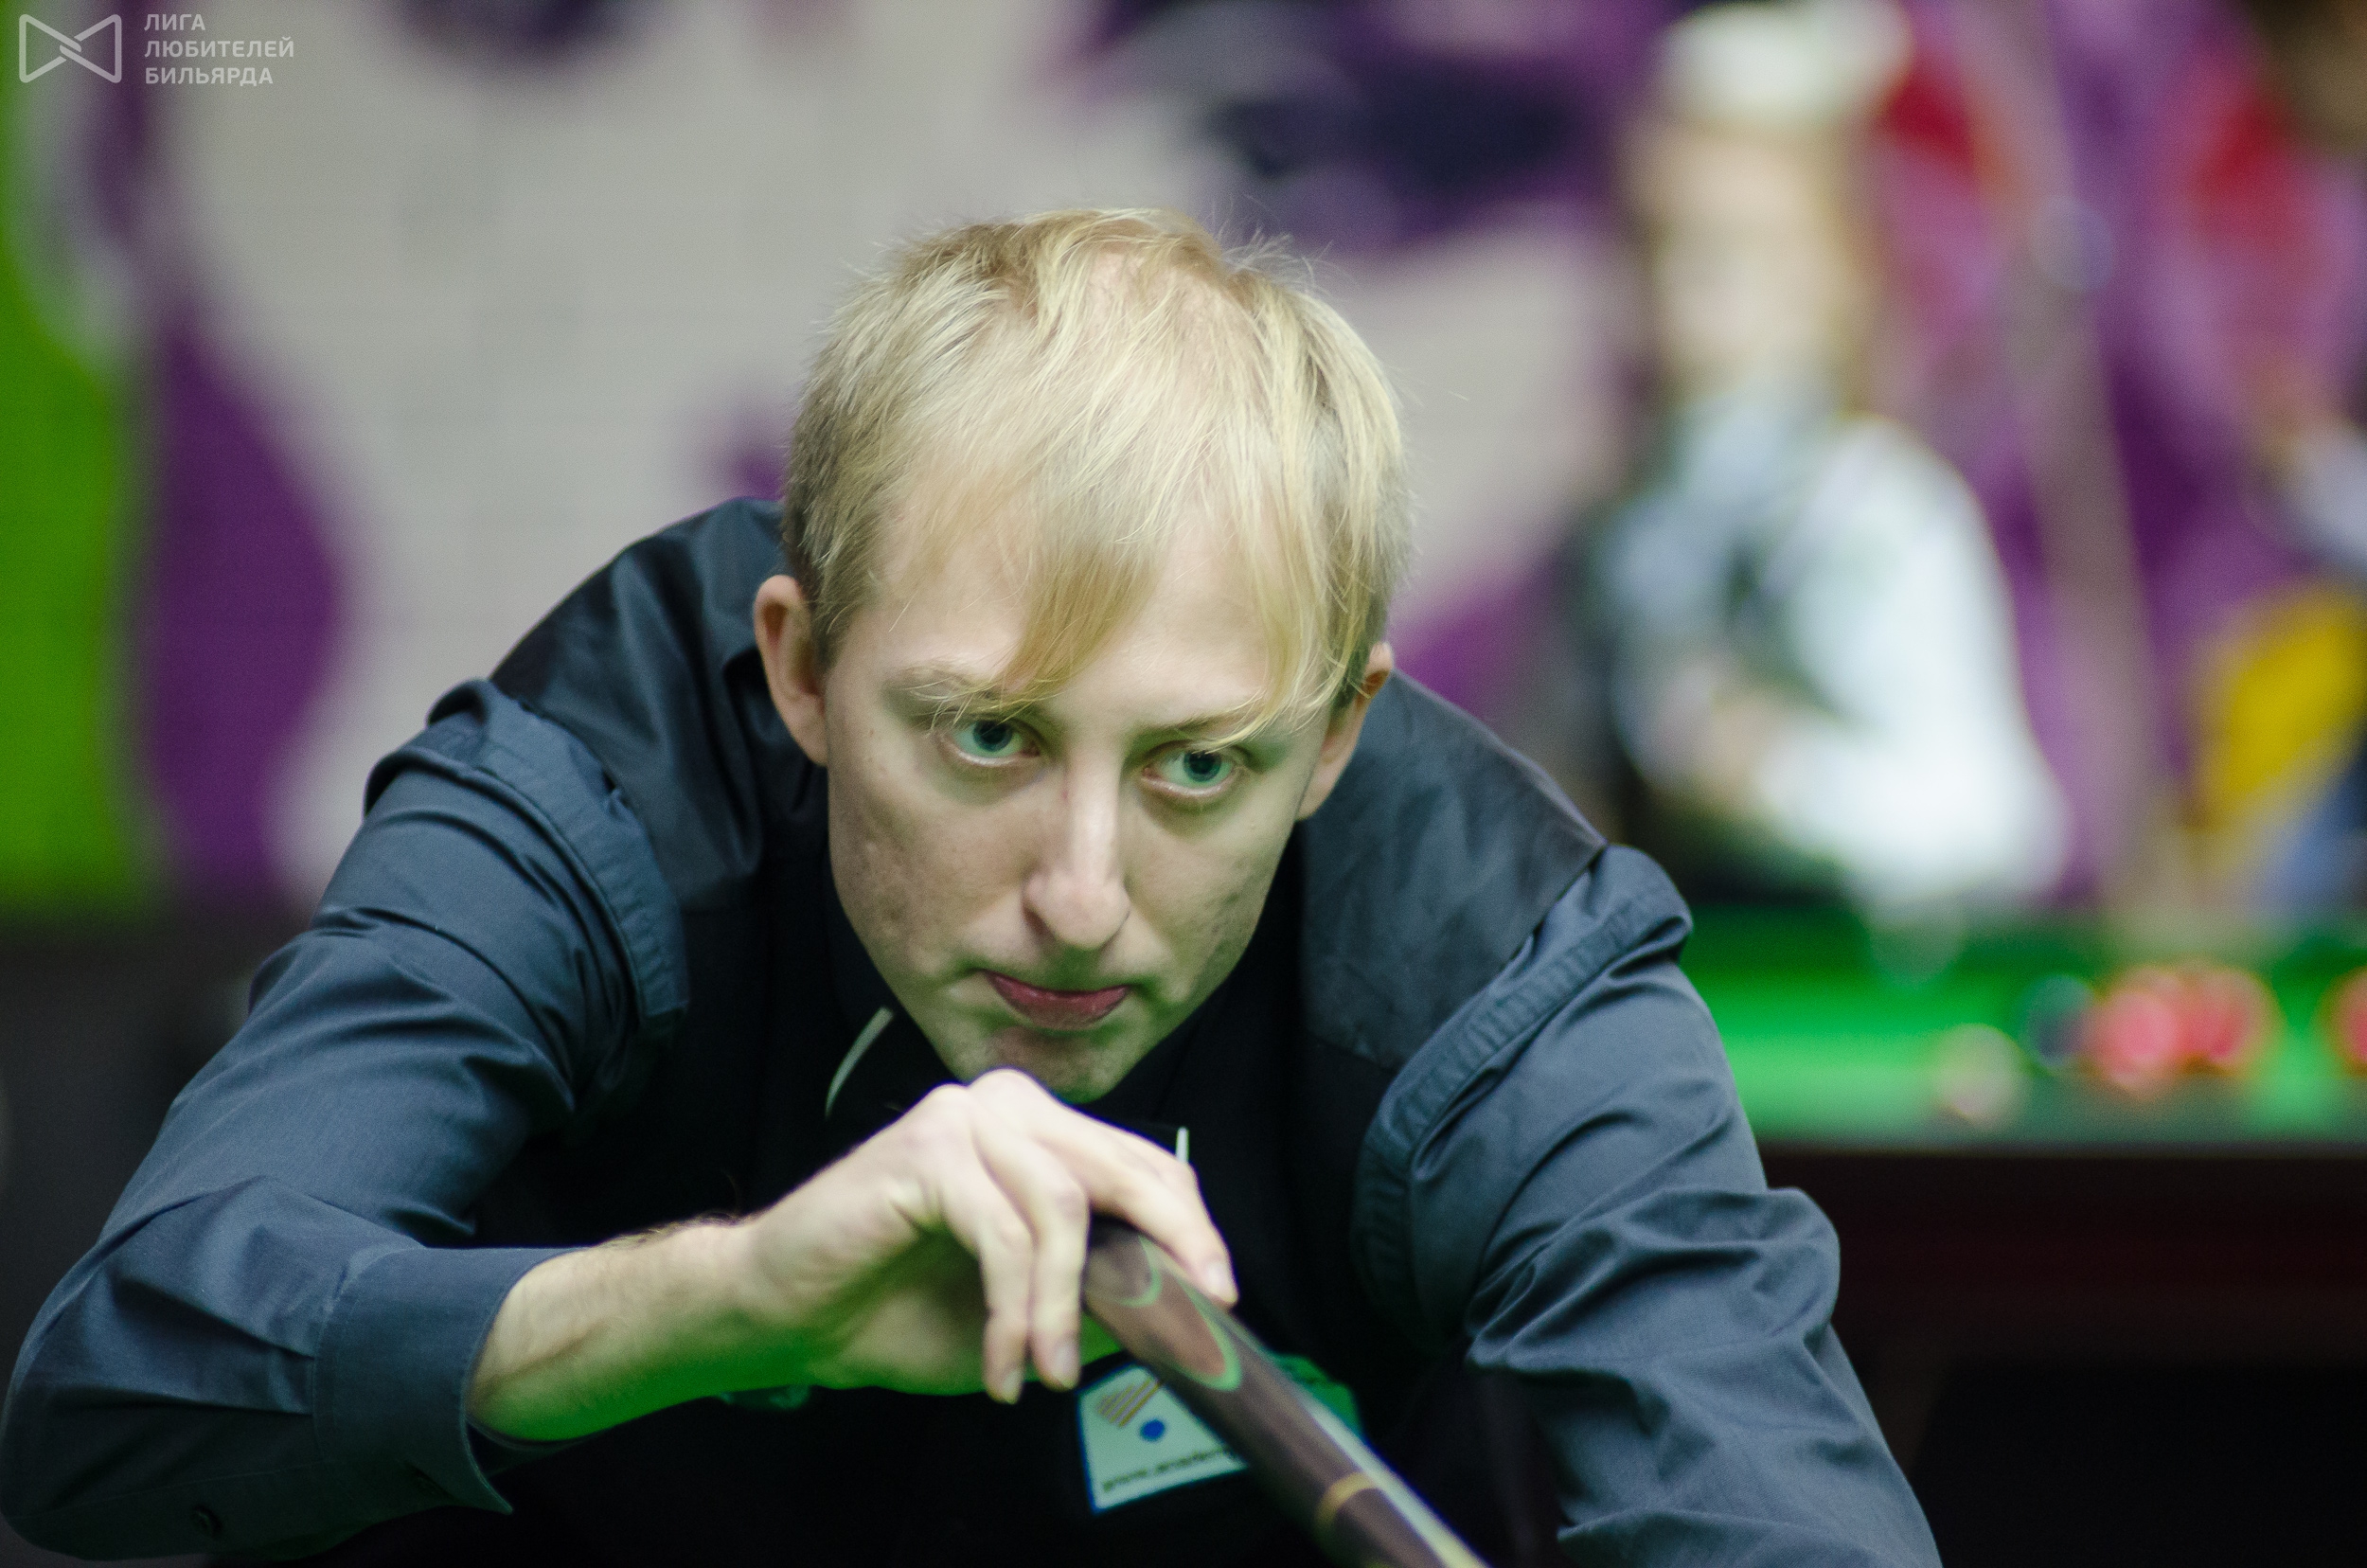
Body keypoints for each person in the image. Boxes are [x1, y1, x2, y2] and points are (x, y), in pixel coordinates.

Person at [1, 210, 1939, 1566]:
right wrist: (734, 1300)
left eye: (1198, 767)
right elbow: (116, 1381)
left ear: (1337, 737)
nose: (1081, 898)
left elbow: (1780, 1518)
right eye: (989, 740)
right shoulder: (604, 791)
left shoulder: (1488, 962)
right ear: (801, 669)